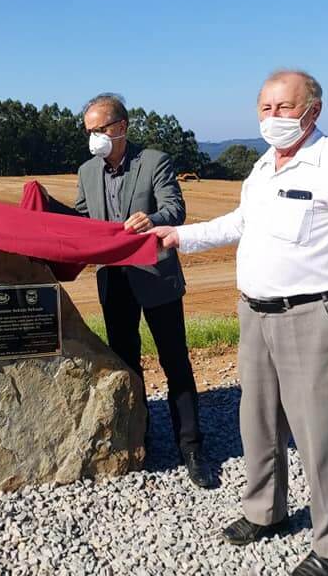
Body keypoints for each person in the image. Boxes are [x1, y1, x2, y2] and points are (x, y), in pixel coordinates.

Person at [152, 70, 328, 576]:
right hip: (255, 313)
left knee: (324, 433)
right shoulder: (263, 167)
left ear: (313, 111)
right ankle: (266, 511)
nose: (272, 118)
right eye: (265, 108)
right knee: (257, 421)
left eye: (284, 108)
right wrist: (180, 235)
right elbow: (241, 223)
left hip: (316, 316)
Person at [74, 93, 212, 488]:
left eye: (99, 130)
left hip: (156, 277)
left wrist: (148, 219)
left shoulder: (154, 161)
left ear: (121, 128)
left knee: (174, 360)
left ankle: (191, 445)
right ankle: (140, 437)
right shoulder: (87, 171)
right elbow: (83, 220)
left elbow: (174, 209)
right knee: (126, 362)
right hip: (114, 280)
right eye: (89, 132)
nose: (94, 138)